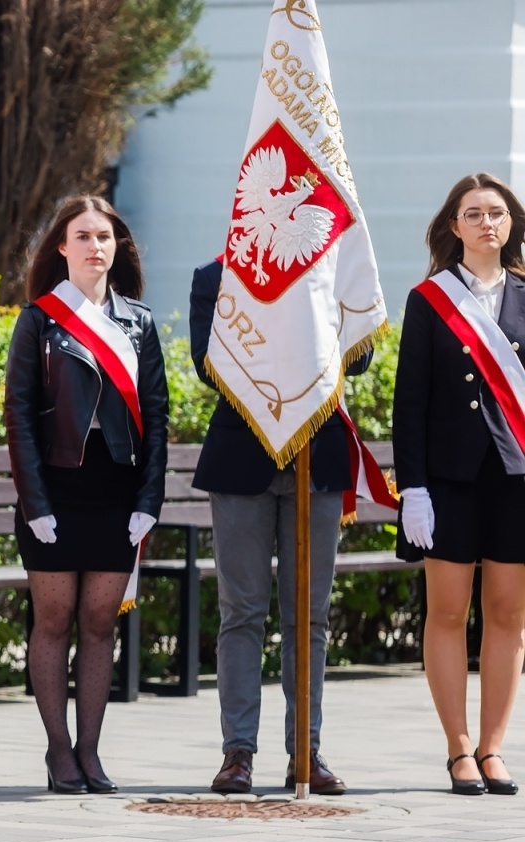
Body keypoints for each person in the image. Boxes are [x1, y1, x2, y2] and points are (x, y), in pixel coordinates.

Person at [4, 196, 168, 794]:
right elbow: (18, 418)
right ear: (62, 247)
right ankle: (58, 752)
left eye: (105, 237)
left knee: (100, 623)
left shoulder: (140, 322)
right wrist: (35, 503)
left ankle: (91, 753)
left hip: (116, 488)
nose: (96, 246)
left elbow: (157, 415)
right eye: (83, 236)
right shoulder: (39, 320)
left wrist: (150, 499)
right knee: (53, 619)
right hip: (55, 486)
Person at [190, 261, 371, 796]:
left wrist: (315, 317)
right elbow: (208, 363)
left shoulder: (333, 271)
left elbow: (360, 358)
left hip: (316, 456)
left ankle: (306, 751)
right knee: (241, 612)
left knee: (308, 617)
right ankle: (238, 752)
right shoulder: (215, 277)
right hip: (242, 457)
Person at [394, 173, 525, 797]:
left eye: (496, 213)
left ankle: (495, 748)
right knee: (446, 612)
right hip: (447, 480)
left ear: (511, 223)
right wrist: (412, 488)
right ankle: (458, 749)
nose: (485, 224)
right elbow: (409, 402)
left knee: (508, 613)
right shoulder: (429, 300)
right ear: (454, 226)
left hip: (516, 480)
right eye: (472, 214)